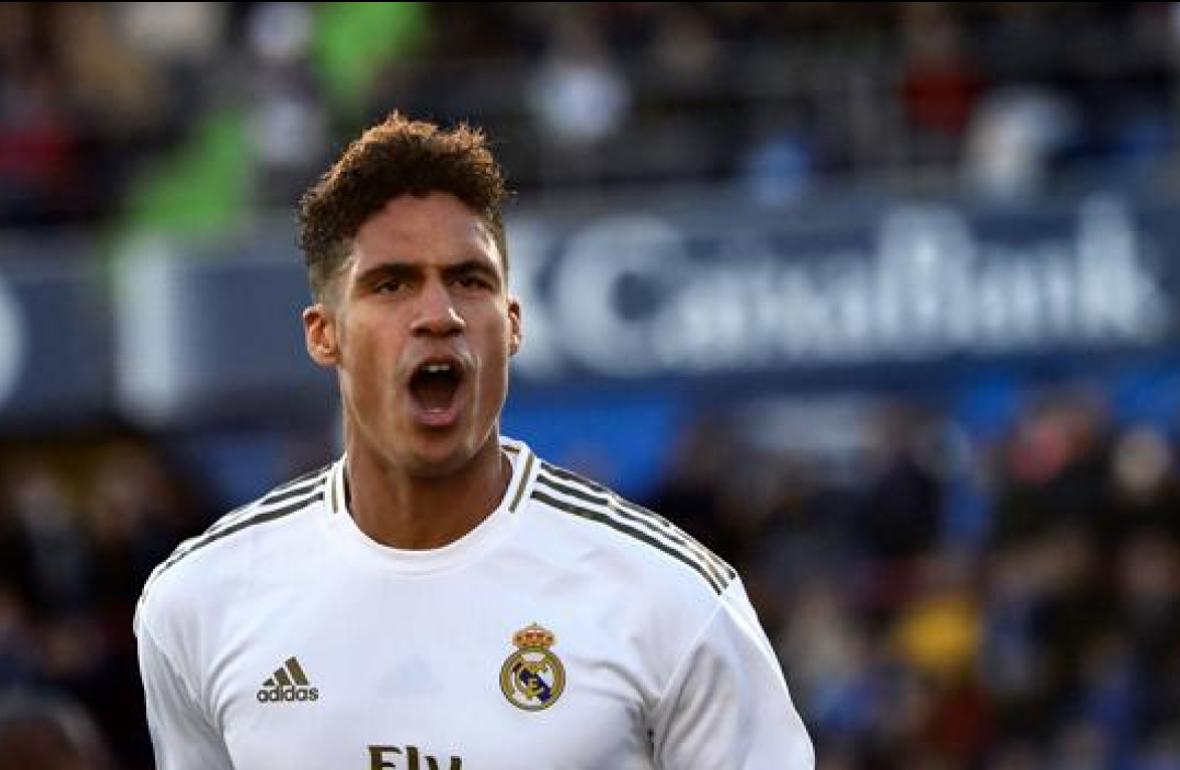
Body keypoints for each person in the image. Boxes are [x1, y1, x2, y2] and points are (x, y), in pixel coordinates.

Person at [134, 113, 814, 769]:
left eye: (469, 279)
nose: (439, 315)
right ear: (324, 332)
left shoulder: (674, 602)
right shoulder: (199, 602)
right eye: (391, 284)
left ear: (512, 324)